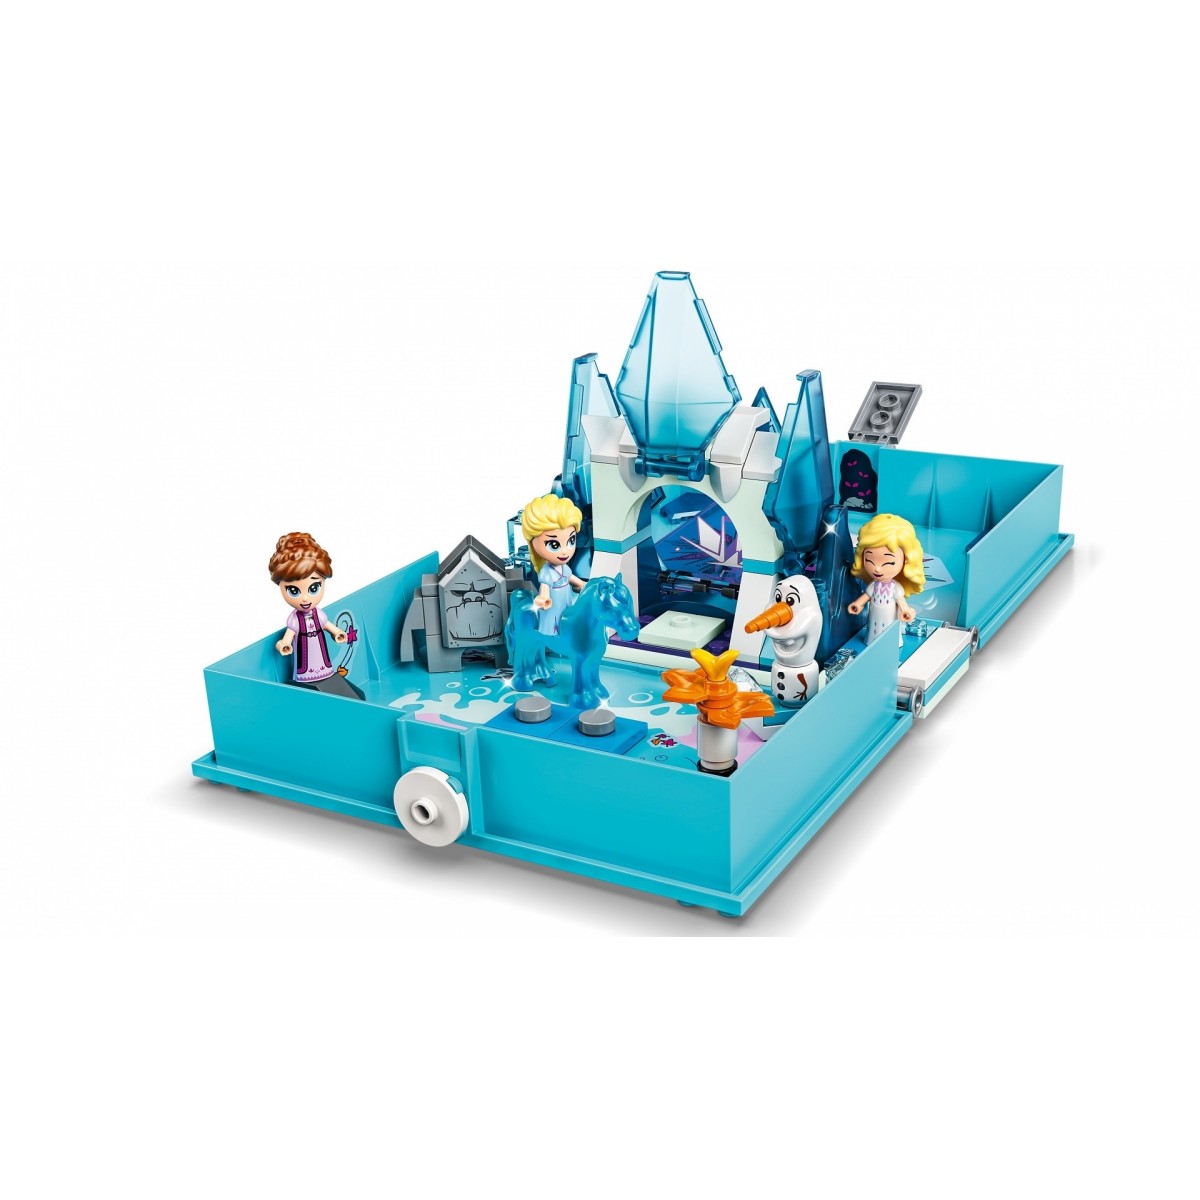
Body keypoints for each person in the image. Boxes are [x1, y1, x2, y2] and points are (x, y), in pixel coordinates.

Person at [269, 532, 361, 698]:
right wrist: (284, 644)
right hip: (305, 660)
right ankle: (307, 679)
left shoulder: (318, 614)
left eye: (313, 588)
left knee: (323, 664)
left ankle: (323, 675)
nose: (305, 598)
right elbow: (288, 636)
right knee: (306, 667)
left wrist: (337, 633)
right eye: (294, 591)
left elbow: (328, 625)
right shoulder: (295, 619)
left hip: (320, 655)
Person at [847, 513, 925, 645]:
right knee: (872, 629)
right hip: (874, 616)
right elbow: (866, 596)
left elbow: (901, 602)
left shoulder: (895, 588)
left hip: (889, 617)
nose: (877, 568)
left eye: (889, 562)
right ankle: (870, 641)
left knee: (889, 632)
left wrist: (906, 611)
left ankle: (890, 644)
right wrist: (857, 605)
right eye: (869, 560)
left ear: (906, 560)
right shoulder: (873, 585)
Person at [521, 494, 585, 635]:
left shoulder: (564, 568)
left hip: (566, 598)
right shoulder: (546, 572)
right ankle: (550, 640)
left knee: (567, 619)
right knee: (552, 623)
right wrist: (544, 598)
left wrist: (581, 584)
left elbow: (570, 577)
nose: (565, 551)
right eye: (554, 545)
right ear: (533, 543)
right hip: (553, 603)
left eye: (571, 541)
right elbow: (545, 589)